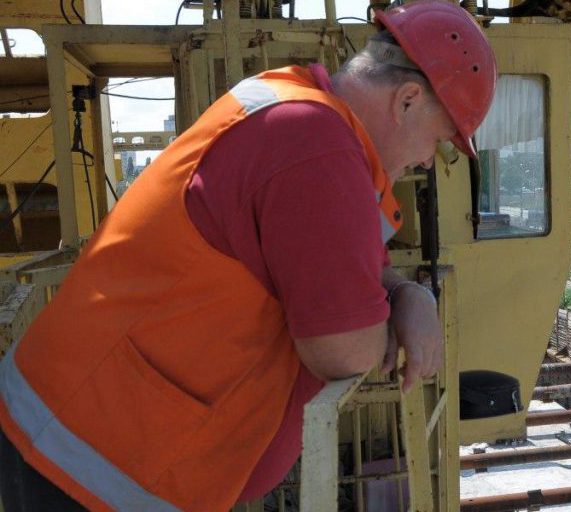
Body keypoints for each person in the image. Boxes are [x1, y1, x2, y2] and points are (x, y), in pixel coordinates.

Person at [0, 2, 496, 510]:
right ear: (408, 99)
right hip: (82, 461)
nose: (424, 162)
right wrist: (394, 320)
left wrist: (403, 291)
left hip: (77, 439)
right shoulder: (317, 145)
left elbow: (346, 266)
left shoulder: (300, 112)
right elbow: (343, 348)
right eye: (438, 144)